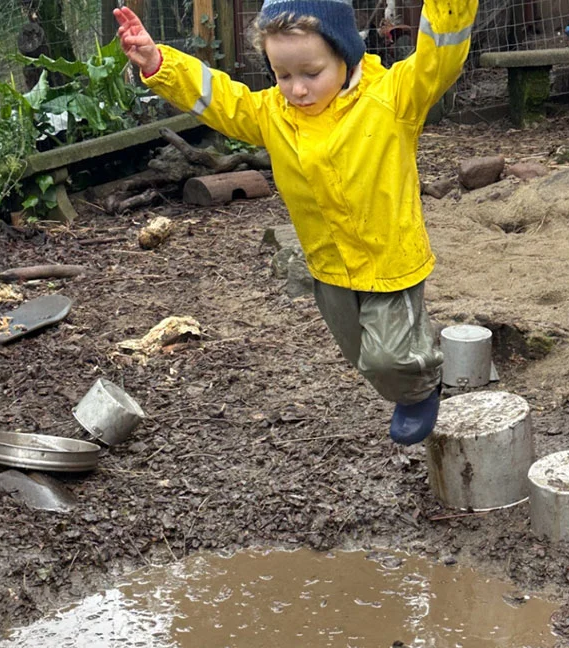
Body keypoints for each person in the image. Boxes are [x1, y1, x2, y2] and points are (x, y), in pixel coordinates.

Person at [113, 0, 478, 445]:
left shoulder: (393, 97)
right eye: (283, 76)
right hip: (328, 265)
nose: (298, 89)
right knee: (362, 354)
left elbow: (440, 55)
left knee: (389, 358)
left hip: (388, 258)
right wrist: (158, 62)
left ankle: (420, 389)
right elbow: (220, 100)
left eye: (311, 73)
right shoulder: (273, 114)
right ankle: (407, 366)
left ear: (345, 56)